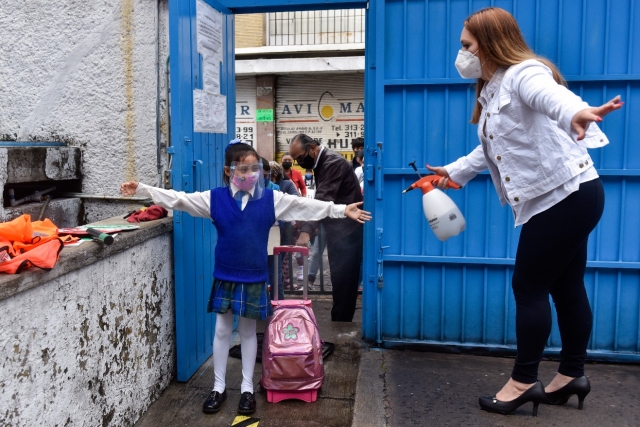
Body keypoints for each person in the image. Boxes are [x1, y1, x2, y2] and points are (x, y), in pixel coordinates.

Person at [427, 7, 623, 417]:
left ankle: (522, 382)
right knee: (566, 286)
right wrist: (455, 172)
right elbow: (492, 145)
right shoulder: (494, 87)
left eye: (466, 46)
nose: (461, 54)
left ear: (490, 43)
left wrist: (576, 113)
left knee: (528, 287)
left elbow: (552, 97)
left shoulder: (523, 73)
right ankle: (571, 375)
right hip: (572, 194)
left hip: (565, 196)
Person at [120, 140, 371, 416]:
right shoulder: (214, 199)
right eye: (243, 168)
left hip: (254, 276)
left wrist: (339, 209)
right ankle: (217, 387)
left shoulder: (270, 199)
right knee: (222, 331)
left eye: (255, 168)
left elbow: (305, 205)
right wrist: (143, 189)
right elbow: (179, 199)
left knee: (249, 332)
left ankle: (247, 389)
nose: (250, 173)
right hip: (225, 275)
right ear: (229, 171)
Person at [289, 134, 364, 322]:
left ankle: (341, 324)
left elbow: (323, 199)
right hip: (339, 229)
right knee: (340, 281)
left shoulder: (332, 163)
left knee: (344, 282)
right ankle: (340, 319)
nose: (299, 162)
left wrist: (306, 230)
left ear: (312, 147)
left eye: (300, 157)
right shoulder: (321, 162)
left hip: (347, 231)